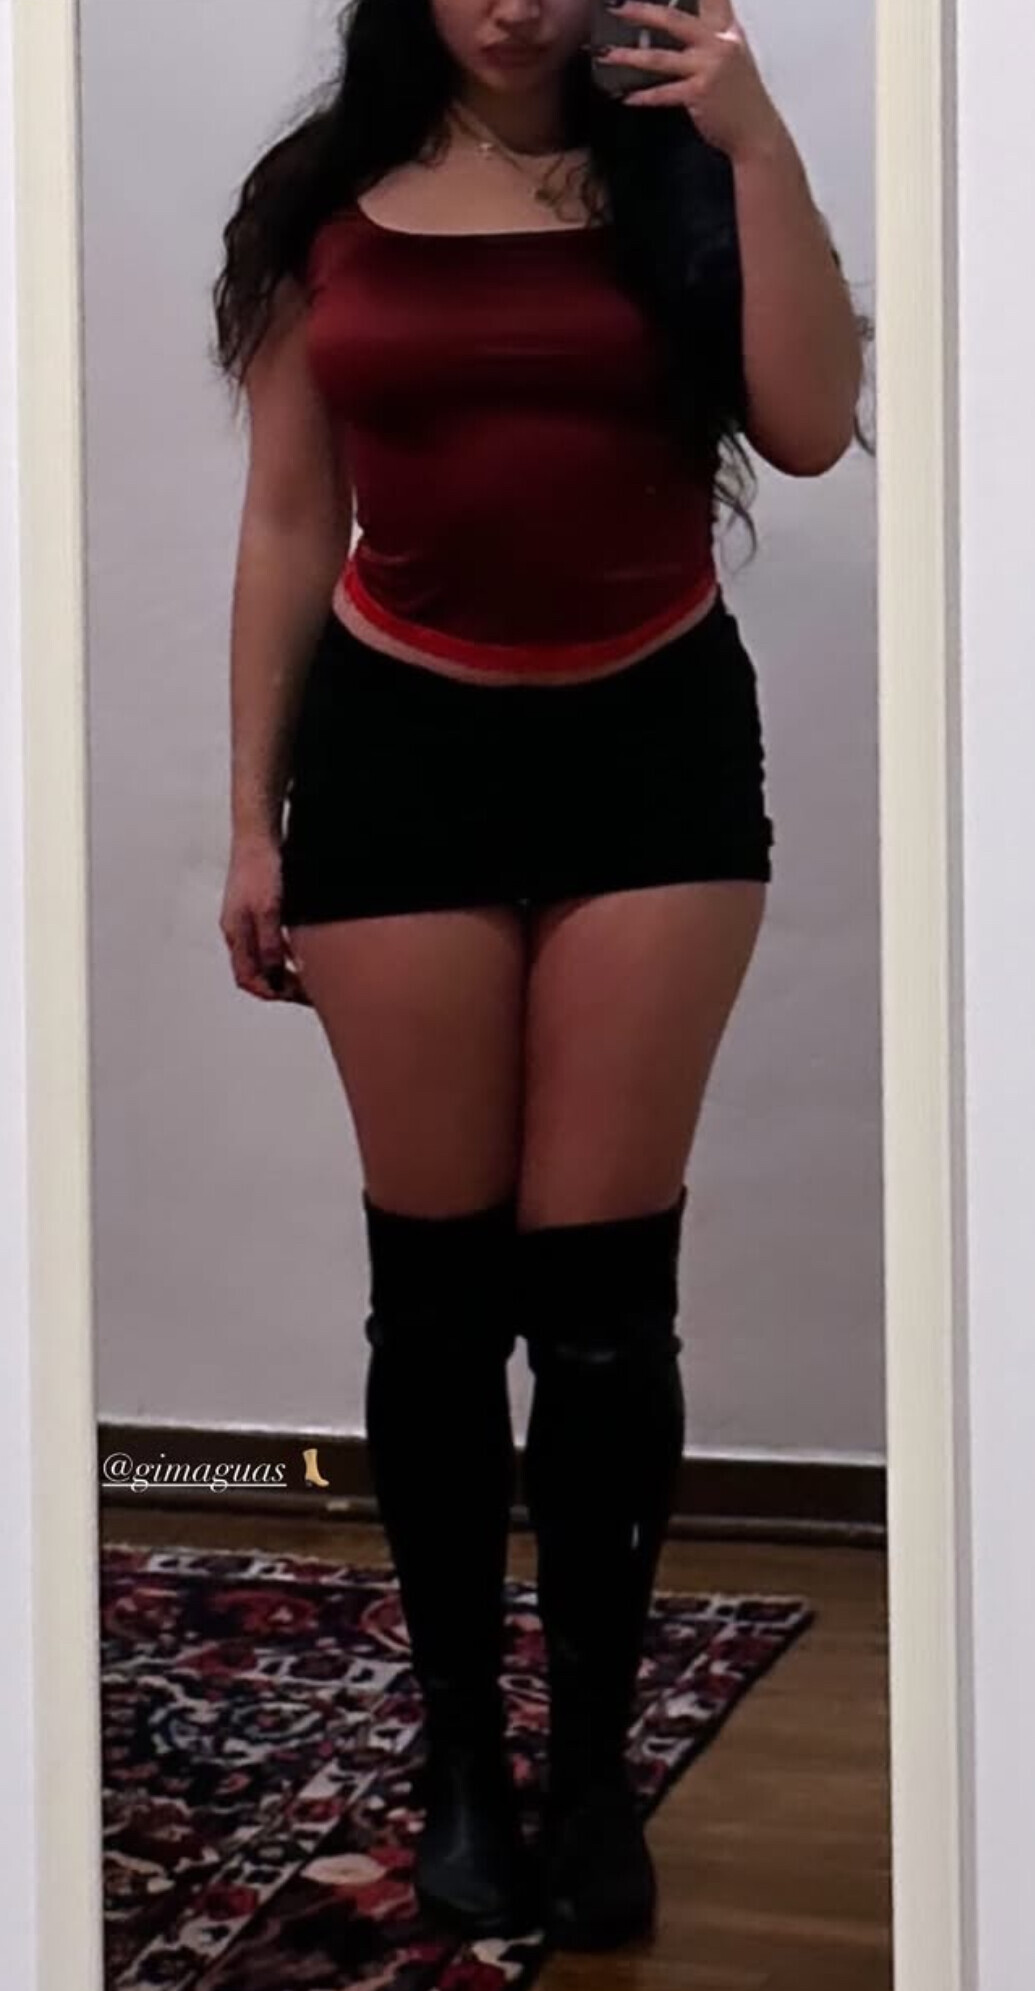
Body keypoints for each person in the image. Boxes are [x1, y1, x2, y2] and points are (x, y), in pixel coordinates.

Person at [212, 0, 869, 1953]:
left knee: (599, 1310)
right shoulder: (320, 200)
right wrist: (250, 820)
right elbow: (285, 517)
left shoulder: (686, 172)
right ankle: (462, 1769)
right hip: (396, 755)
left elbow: (808, 429)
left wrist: (762, 143)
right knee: (435, 1304)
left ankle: (588, 1774)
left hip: (652, 752)